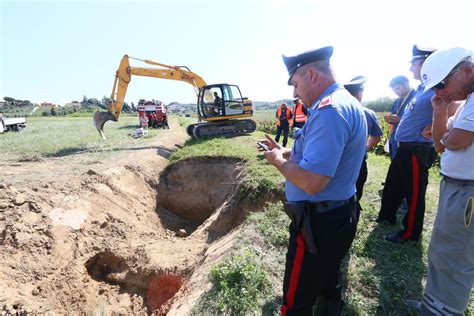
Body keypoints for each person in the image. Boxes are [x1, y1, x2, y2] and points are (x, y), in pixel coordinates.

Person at [259, 46, 367, 315]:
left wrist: (277, 161)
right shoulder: (343, 102)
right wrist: (285, 152)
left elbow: (312, 181)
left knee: (296, 301)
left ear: (311, 74)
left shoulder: (329, 111)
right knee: (328, 278)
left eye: (295, 84)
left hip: (317, 226)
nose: (294, 93)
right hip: (337, 215)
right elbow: (319, 156)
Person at [407, 47, 474, 315]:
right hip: (457, 187)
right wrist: (440, 112)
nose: (438, 92)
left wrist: (447, 136)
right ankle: (434, 303)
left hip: (467, 192)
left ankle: (443, 310)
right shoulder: (465, 100)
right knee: (443, 250)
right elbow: (440, 145)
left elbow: (454, 141)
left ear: (467, 71)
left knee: (454, 258)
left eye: (442, 84)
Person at [376, 45, 437, 243]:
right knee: (394, 185)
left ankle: (410, 233)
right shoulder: (421, 90)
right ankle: (387, 216)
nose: (411, 69)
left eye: (414, 63)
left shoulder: (437, 88)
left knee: (414, 193)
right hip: (403, 148)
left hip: (416, 150)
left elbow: (454, 108)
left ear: (426, 63)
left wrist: (436, 126)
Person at [344, 76, 383, 206]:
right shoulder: (368, 113)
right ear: (359, 94)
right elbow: (376, 137)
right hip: (359, 161)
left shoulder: (337, 111)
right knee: (356, 192)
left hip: (340, 161)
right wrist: (363, 148)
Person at [385, 75, 416, 160]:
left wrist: (399, 119)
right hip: (395, 139)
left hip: (410, 142)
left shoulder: (416, 98)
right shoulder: (397, 101)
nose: (395, 92)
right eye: (393, 90)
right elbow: (393, 114)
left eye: (397, 88)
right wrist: (390, 118)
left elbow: (418, 119)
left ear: (406, 84)